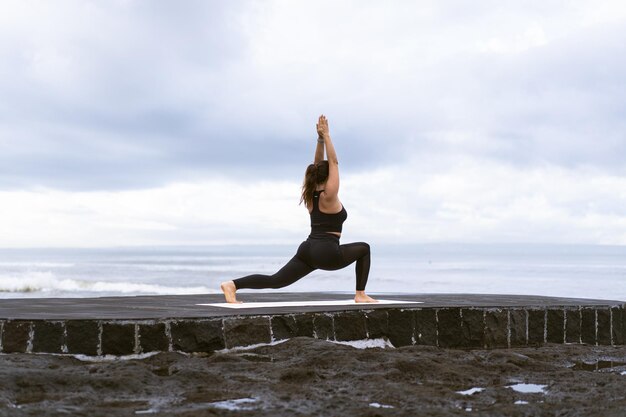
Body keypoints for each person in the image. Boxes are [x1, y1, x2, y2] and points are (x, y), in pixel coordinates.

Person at [220, 115, 377, 304]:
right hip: (327, 252)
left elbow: (319, 165)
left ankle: (232, 285)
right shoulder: (329, 195)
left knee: (275, 280)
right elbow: (333, 163)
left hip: (308, 250)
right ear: (328, 177)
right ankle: (360, 294)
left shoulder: (311, 193)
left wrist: (319, 140)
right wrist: (327, 135)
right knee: (364, 249)